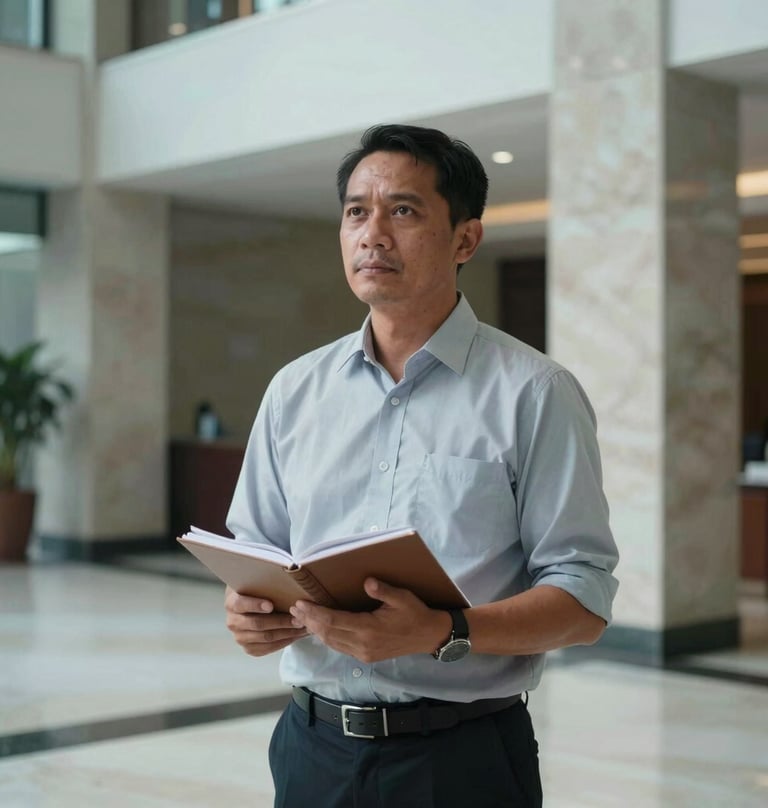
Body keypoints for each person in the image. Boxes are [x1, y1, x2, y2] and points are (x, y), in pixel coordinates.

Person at [224, 124, 619, 807]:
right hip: (311, 748)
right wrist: (249, 612)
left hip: (461, 759)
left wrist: (446, 631)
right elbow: (253, 552)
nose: (372, 233)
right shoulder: (295, 389)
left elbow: (583, 600)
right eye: (356, 212)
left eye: (402, 210)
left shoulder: (534, 392)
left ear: (465, 239)